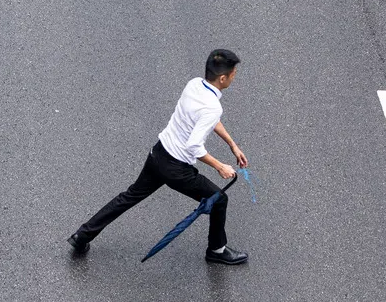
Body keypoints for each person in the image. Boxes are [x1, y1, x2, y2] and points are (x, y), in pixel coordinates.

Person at [68, 49, 250, 264]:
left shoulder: (194, 85)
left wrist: (232, 145)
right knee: (219, 199)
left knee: (129, 196)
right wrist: (220, 166)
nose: (234, 76)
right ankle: (217, 250)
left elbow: (206, 120)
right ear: (222, 77)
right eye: (233, 73)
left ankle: (82, 235)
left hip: (158, 154)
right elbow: (194, 146)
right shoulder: (212, 107)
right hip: (177, 170)